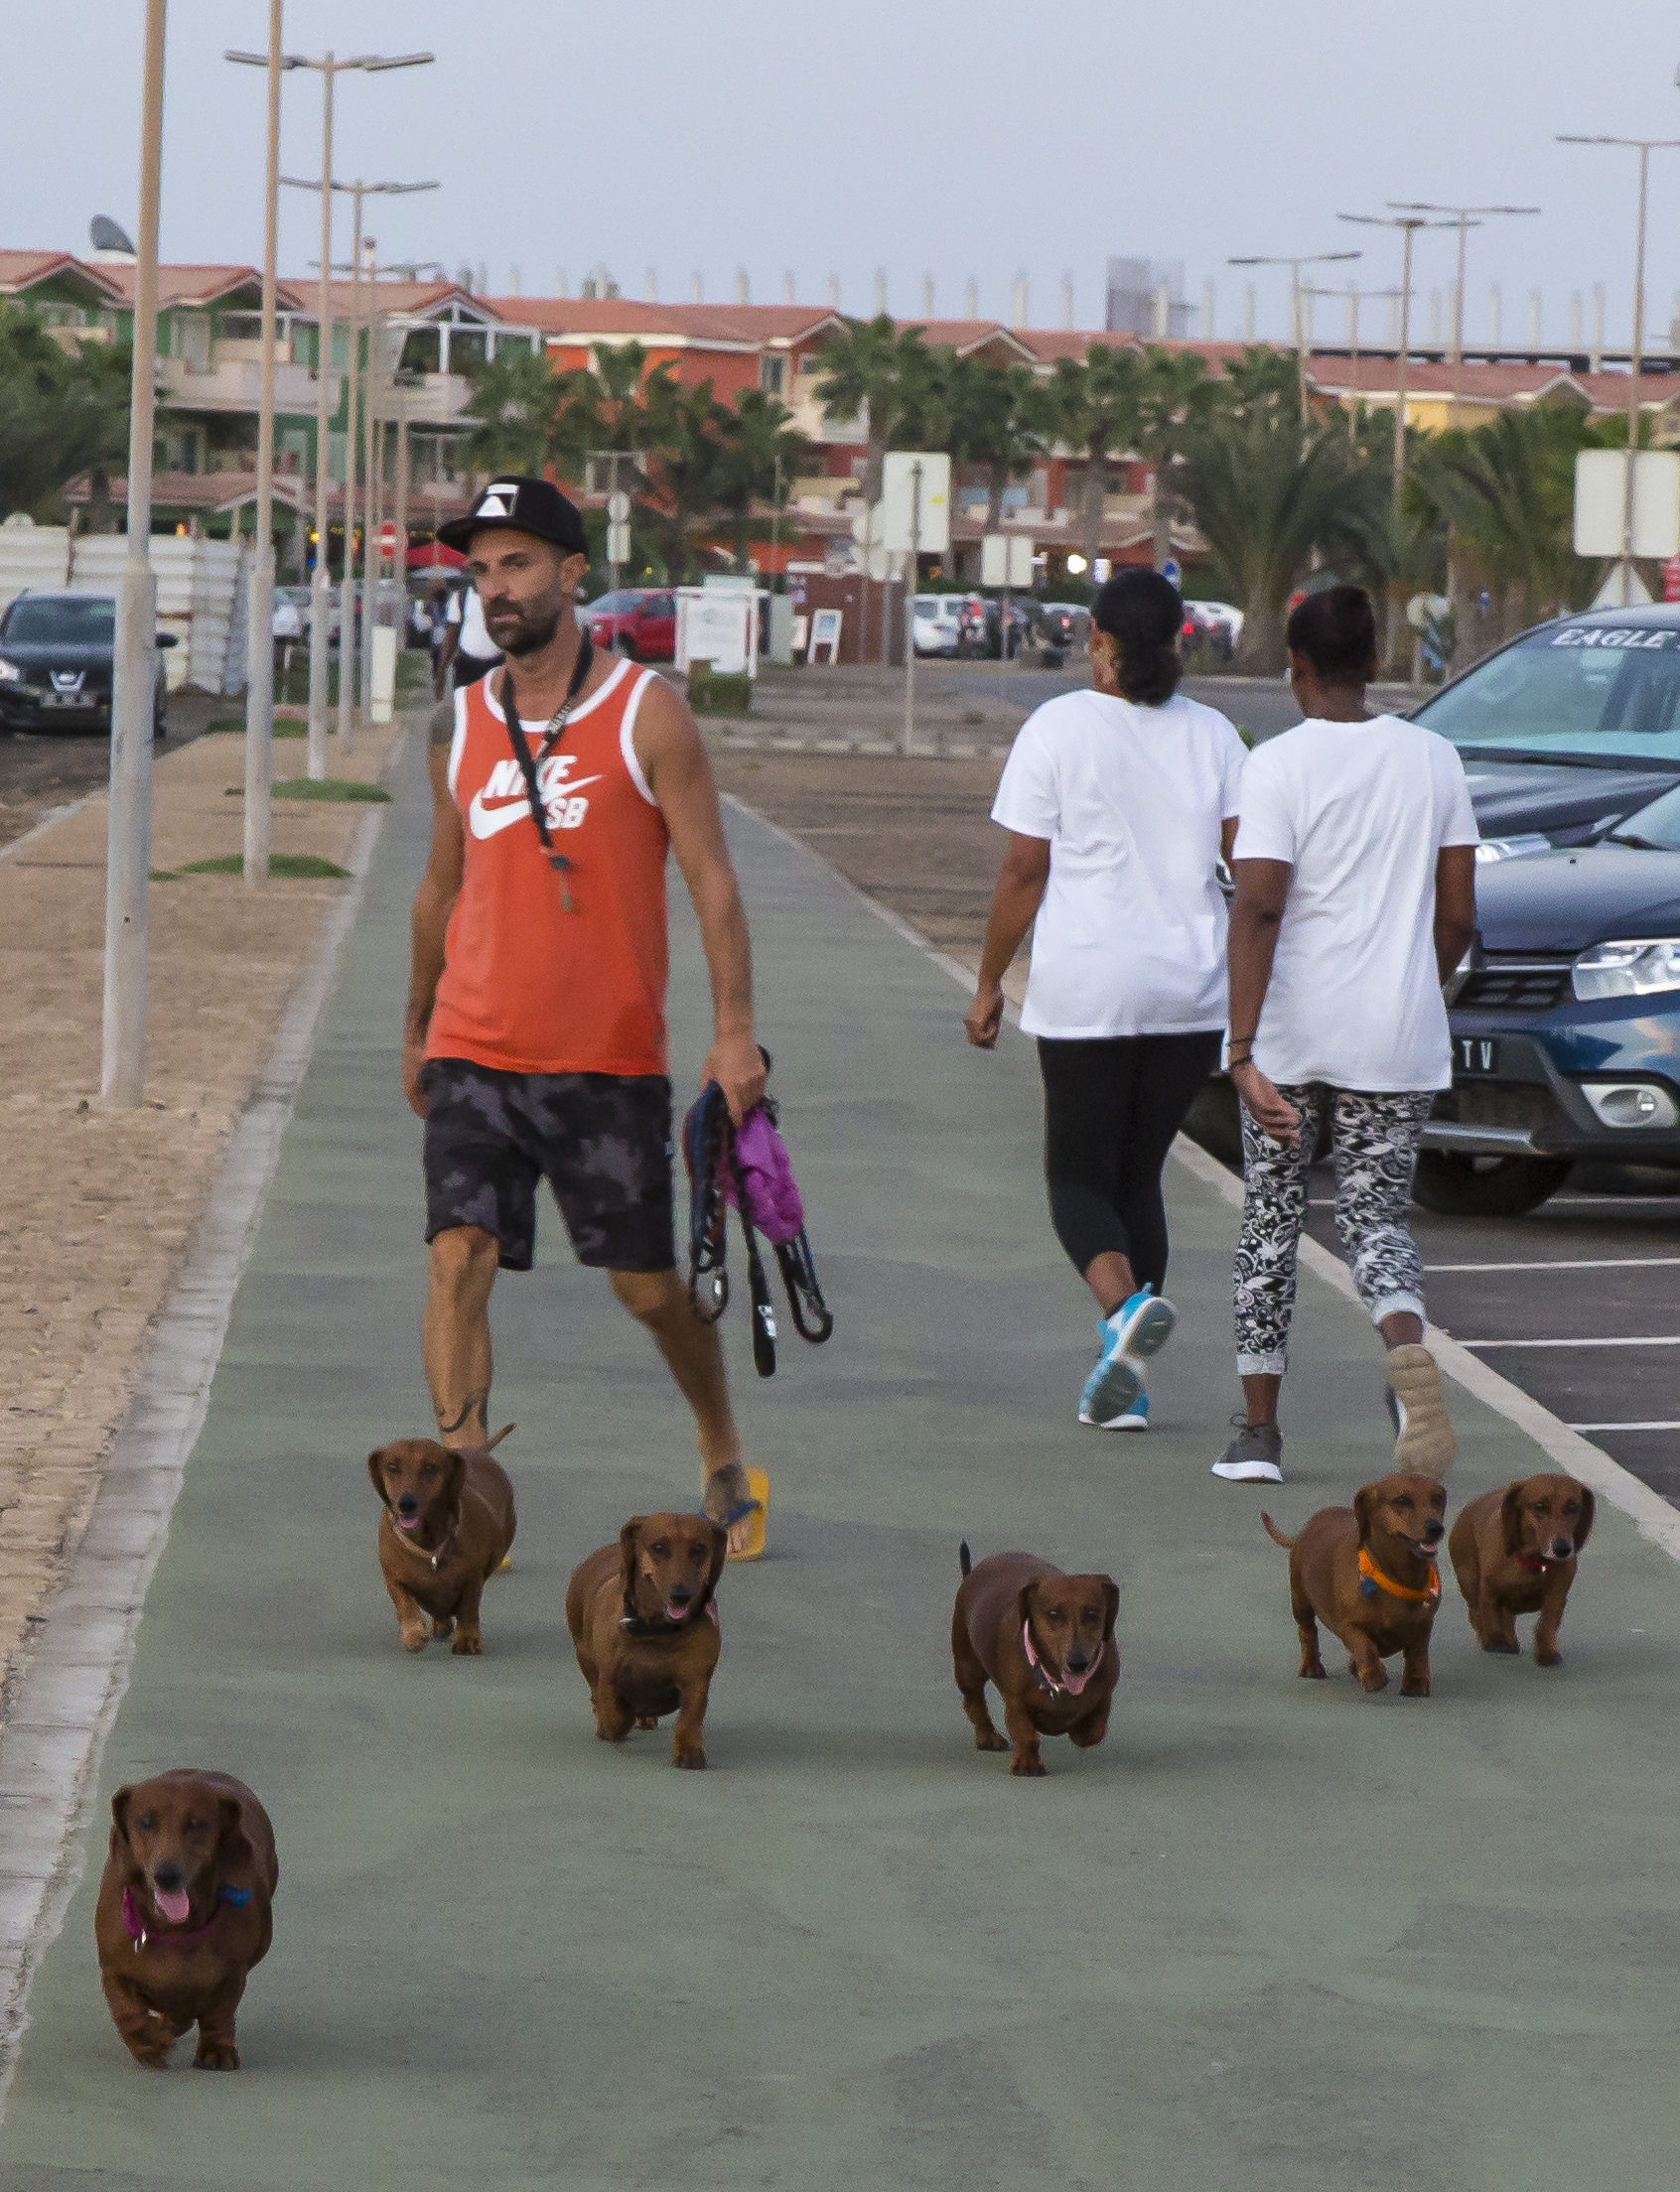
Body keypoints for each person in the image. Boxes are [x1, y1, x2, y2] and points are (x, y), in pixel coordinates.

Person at [404, 475, 769, 1556]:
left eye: (516, 564)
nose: (495, 589)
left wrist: (733, 1029)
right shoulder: (458, 723)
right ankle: (464, 1477)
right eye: (479, 570)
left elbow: (710, 877)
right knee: (457, 1253)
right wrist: (416, 1025)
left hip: (607, 1062)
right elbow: (437, 887)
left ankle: (716, 1438)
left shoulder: (647, 712)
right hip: (475, 1046)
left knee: (647, 1288)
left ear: (573, 573)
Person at [966, 570, 1246, 1432]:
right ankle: (1123, 1384)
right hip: (1189, 993)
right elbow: (1249, 864)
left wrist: (987, 982)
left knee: (1076, 1178)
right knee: (1137, 1179)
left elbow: (1024, 870)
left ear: (1099, 639)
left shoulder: (1057, 727)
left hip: (1089, 986)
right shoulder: (1216, 737)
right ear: (1177, 643)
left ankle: (1124, 1319)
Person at [1215, 584, 1478, 1486]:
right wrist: (1417, 991)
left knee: (1271, 1221)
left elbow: (1257, 904)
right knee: (1376, 1222)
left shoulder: (1278, 766)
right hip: (1394, 1035)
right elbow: (1457, 916)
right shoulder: (1435, 758)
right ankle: (1409, 1372)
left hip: (1291, 1032)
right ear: (1375, 664)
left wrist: (1241, 1050)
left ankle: (1257, 1437)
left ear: (1296, 670)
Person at [435, 570, 500, 697]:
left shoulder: (501, 599)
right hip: (467, 666)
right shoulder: (461, 597)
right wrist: (440, 674)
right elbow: (451, 638)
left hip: (496, 666)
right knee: (465, 708)